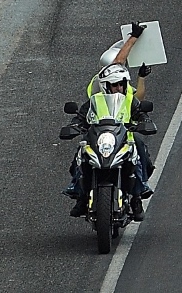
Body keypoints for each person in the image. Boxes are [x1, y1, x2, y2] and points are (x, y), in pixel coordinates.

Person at [66, 25, 156, 218]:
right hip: (98, 138)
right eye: (114, 84)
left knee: (141, 154)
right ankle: (79, 194)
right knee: (79, 158)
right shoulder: (97, 89)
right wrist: (74, 125)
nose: (118, 87)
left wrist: (140, 78)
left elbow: (137, 100)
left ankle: (137, 197)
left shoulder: (124, 91)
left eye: (120, 84)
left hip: (125, 138)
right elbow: (82, 114)